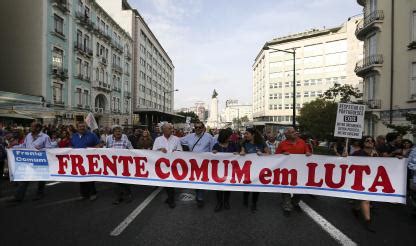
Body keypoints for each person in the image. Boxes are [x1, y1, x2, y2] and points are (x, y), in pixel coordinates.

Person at [7, 122, 52, 203]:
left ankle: (40, 193)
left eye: (32, 126)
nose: (30, 128)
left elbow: (49, 149)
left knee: (41, 178)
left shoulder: (45, 137)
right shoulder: (28, 136)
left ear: (38, 128)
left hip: (40, 162)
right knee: (25, 178)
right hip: (29, 161)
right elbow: (23, 146)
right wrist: (13, 147)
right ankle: (18, 197)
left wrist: (41, 149)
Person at [276, 127, 311, 215]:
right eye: (292, 132)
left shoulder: (302, 142)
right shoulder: (282, 144)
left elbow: (308, 152)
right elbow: (276, 157)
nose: (294, 133)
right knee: (286, 189)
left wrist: (308, 153)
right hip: (286, 171)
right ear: (286, 135)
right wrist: (282, 154)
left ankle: (294, 202)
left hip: (300, 171)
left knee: (301, 189)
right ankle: (287, 207)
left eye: (294, 131)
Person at [180, 121, 216, 208]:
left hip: (205, 163)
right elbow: (179, 141)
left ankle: (200, 198)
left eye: (200, 127)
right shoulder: (189, 136)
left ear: (203, 128)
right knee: (195, 180)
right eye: (196, 127)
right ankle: (198, 194)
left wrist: (213, 153)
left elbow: (213, 148)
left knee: (202, 180)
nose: (198, 129)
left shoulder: (209, 137)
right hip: (193, 163)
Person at [351, 136, 378, 232]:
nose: (370, 142)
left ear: (374, 144)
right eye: (367, 140)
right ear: (363, 143)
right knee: (365, 199)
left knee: (362, 200)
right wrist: (345, 156)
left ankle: (356, 209)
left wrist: (398, 159)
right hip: (358, 180)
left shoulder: (376, 154)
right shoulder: (357, 153)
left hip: (370, 180)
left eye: (372, 141)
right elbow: (347, 163)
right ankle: (368, 221)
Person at [240, 128, 270, 212]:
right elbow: (242, 152)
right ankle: (245, 199)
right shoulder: (244, 143)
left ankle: (254, 204)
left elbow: (269, 154)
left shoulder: (261, 143)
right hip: (247, 170)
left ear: (253, 135)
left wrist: (262, 154)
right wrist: (242, 153)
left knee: (256, 188)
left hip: (258, 170)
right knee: (246, 187)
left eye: (247, 133)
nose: (245, 135)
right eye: (244, 134)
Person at [152, 122, 182, 208]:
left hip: (173, 164)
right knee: (166, 182)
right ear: (163, 130)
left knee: (171, 182)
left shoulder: (176, 139)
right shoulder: (158, 139)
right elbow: (153, 151)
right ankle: (170, 198)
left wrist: (175, 152)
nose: (171, 130)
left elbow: (180, 150)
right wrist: (160, 149)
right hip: (162, 165)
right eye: (169, 128)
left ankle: (171, 200)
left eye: (171, 128)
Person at [71, 122, 100, 201]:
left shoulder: (92, 135)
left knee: (90, 177)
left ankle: (93, 193)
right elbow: (72, 146)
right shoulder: (74, 136)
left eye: (83, 126)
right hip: (78, 161)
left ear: (86, 127)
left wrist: (91, 150)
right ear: (77, 128)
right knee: (81, 177)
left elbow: (98, 145)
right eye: (80, 126)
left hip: (89, 160)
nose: (82, 128)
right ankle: (84, 194)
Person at [212, 129, 240, 212]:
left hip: (230, 170)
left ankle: (226, 201)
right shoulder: (216, 146)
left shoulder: (233, 145)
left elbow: (238, 152)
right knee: (219, 187)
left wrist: (237, 153)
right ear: (224, 136)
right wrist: (213, 152)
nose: (231, 137)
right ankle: (219, 202)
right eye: (229, 136)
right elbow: (211, 156)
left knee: (228, 186)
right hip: (218, 170)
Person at [106, 125, 134, 204]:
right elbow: (106, 151)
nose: (118, 133)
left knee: (126, 182)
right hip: (114, 165)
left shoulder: (126, 141)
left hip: (125, 165)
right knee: (116, 183)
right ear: (113, 133)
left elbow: (132, 151)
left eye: (119, 131)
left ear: (122, 133)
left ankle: (128, 195)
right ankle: (119, 197)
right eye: (116, 131)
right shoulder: (110, 142)